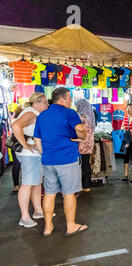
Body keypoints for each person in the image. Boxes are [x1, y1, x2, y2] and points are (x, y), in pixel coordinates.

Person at [34, 87, 88, 237]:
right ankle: (71, 226)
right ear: (63, 99)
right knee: (69, 193)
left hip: (48, 160)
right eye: (70, 98)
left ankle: (48, 227)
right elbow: (80, 128)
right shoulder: (69, 113)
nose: (71, 101)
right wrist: (82, 135)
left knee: (49, 193)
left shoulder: (42, 115)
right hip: (66, 159)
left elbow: (37, 138)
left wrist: (43, 153)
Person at [11, 93, 48, 228]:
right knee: (28, 183)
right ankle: (24, 217)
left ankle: (38, 211)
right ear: (37, 103)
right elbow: (15, 126)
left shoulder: (33, 113)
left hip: (33, 154)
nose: (47, 105)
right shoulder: (31, 113)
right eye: (45, 102)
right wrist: (26, 145)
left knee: (36, 183)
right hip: (29, 154)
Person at [75, 99, 95, 192]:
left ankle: (82, 184)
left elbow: (80, 131)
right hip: (89, 143)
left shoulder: (82, 118)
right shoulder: (90, 117)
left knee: (80, 165)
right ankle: (86, 185)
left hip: (82, 143)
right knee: (86, 164)